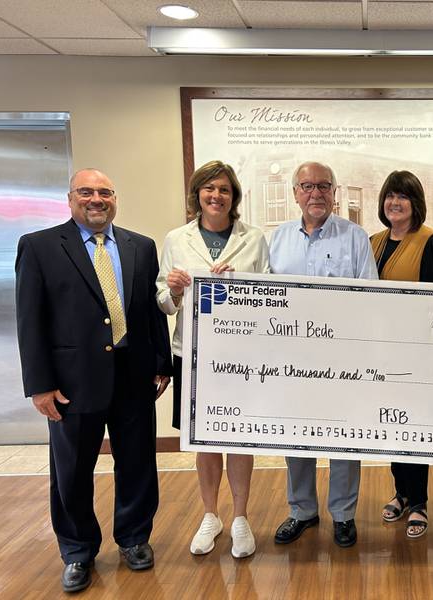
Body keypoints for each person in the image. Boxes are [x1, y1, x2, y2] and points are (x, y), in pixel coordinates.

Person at [15, 169, 173, 593]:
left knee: (138, 464)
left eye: (104, 192)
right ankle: (77, 550)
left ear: (115, 199)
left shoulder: (141, 246)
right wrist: (40, 384)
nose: (96, 199)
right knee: (71, 471)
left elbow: (150, 311)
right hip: (71, 382)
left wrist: (162, 362)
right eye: (86, 192)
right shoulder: (40, 247)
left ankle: (135, 538)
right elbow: (31, 322)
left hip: (134, 375)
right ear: (70, 199)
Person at [156, 160, 269, 559]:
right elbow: (164, 303)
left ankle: (240, 517)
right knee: (203, 439)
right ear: (197, 195)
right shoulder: (175, 239)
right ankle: (210, 515)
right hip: (193, 354)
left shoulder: (254, 239)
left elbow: (270, 295)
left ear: (234, 196)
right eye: (209, 189)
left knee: (238, 435)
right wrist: (174, 289)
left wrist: (243, 284)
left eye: (223, 189)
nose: (216, 196)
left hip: (240, 356)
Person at [269, 161, 378, 548]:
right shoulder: (277, 239)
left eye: (324, 186)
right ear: (295, 192)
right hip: (292, 362)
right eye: (307, 186)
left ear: (335, 192)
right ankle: (301, 510)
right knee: (295, 436)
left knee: (344, 438)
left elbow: (371, 297)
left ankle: (344, 515)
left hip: (342, 360)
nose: (316, 193)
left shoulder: (355, 237)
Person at [370, 170, 433, 539]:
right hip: (379, 353)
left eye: (403, 196)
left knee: (414, 427)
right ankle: (401, 492)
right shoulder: (372, 241)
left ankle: (419, 501)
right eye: (390, 196)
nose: (395, 203)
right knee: (390, 424)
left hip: (417, 354)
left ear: (415, 203)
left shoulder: (430, 241)